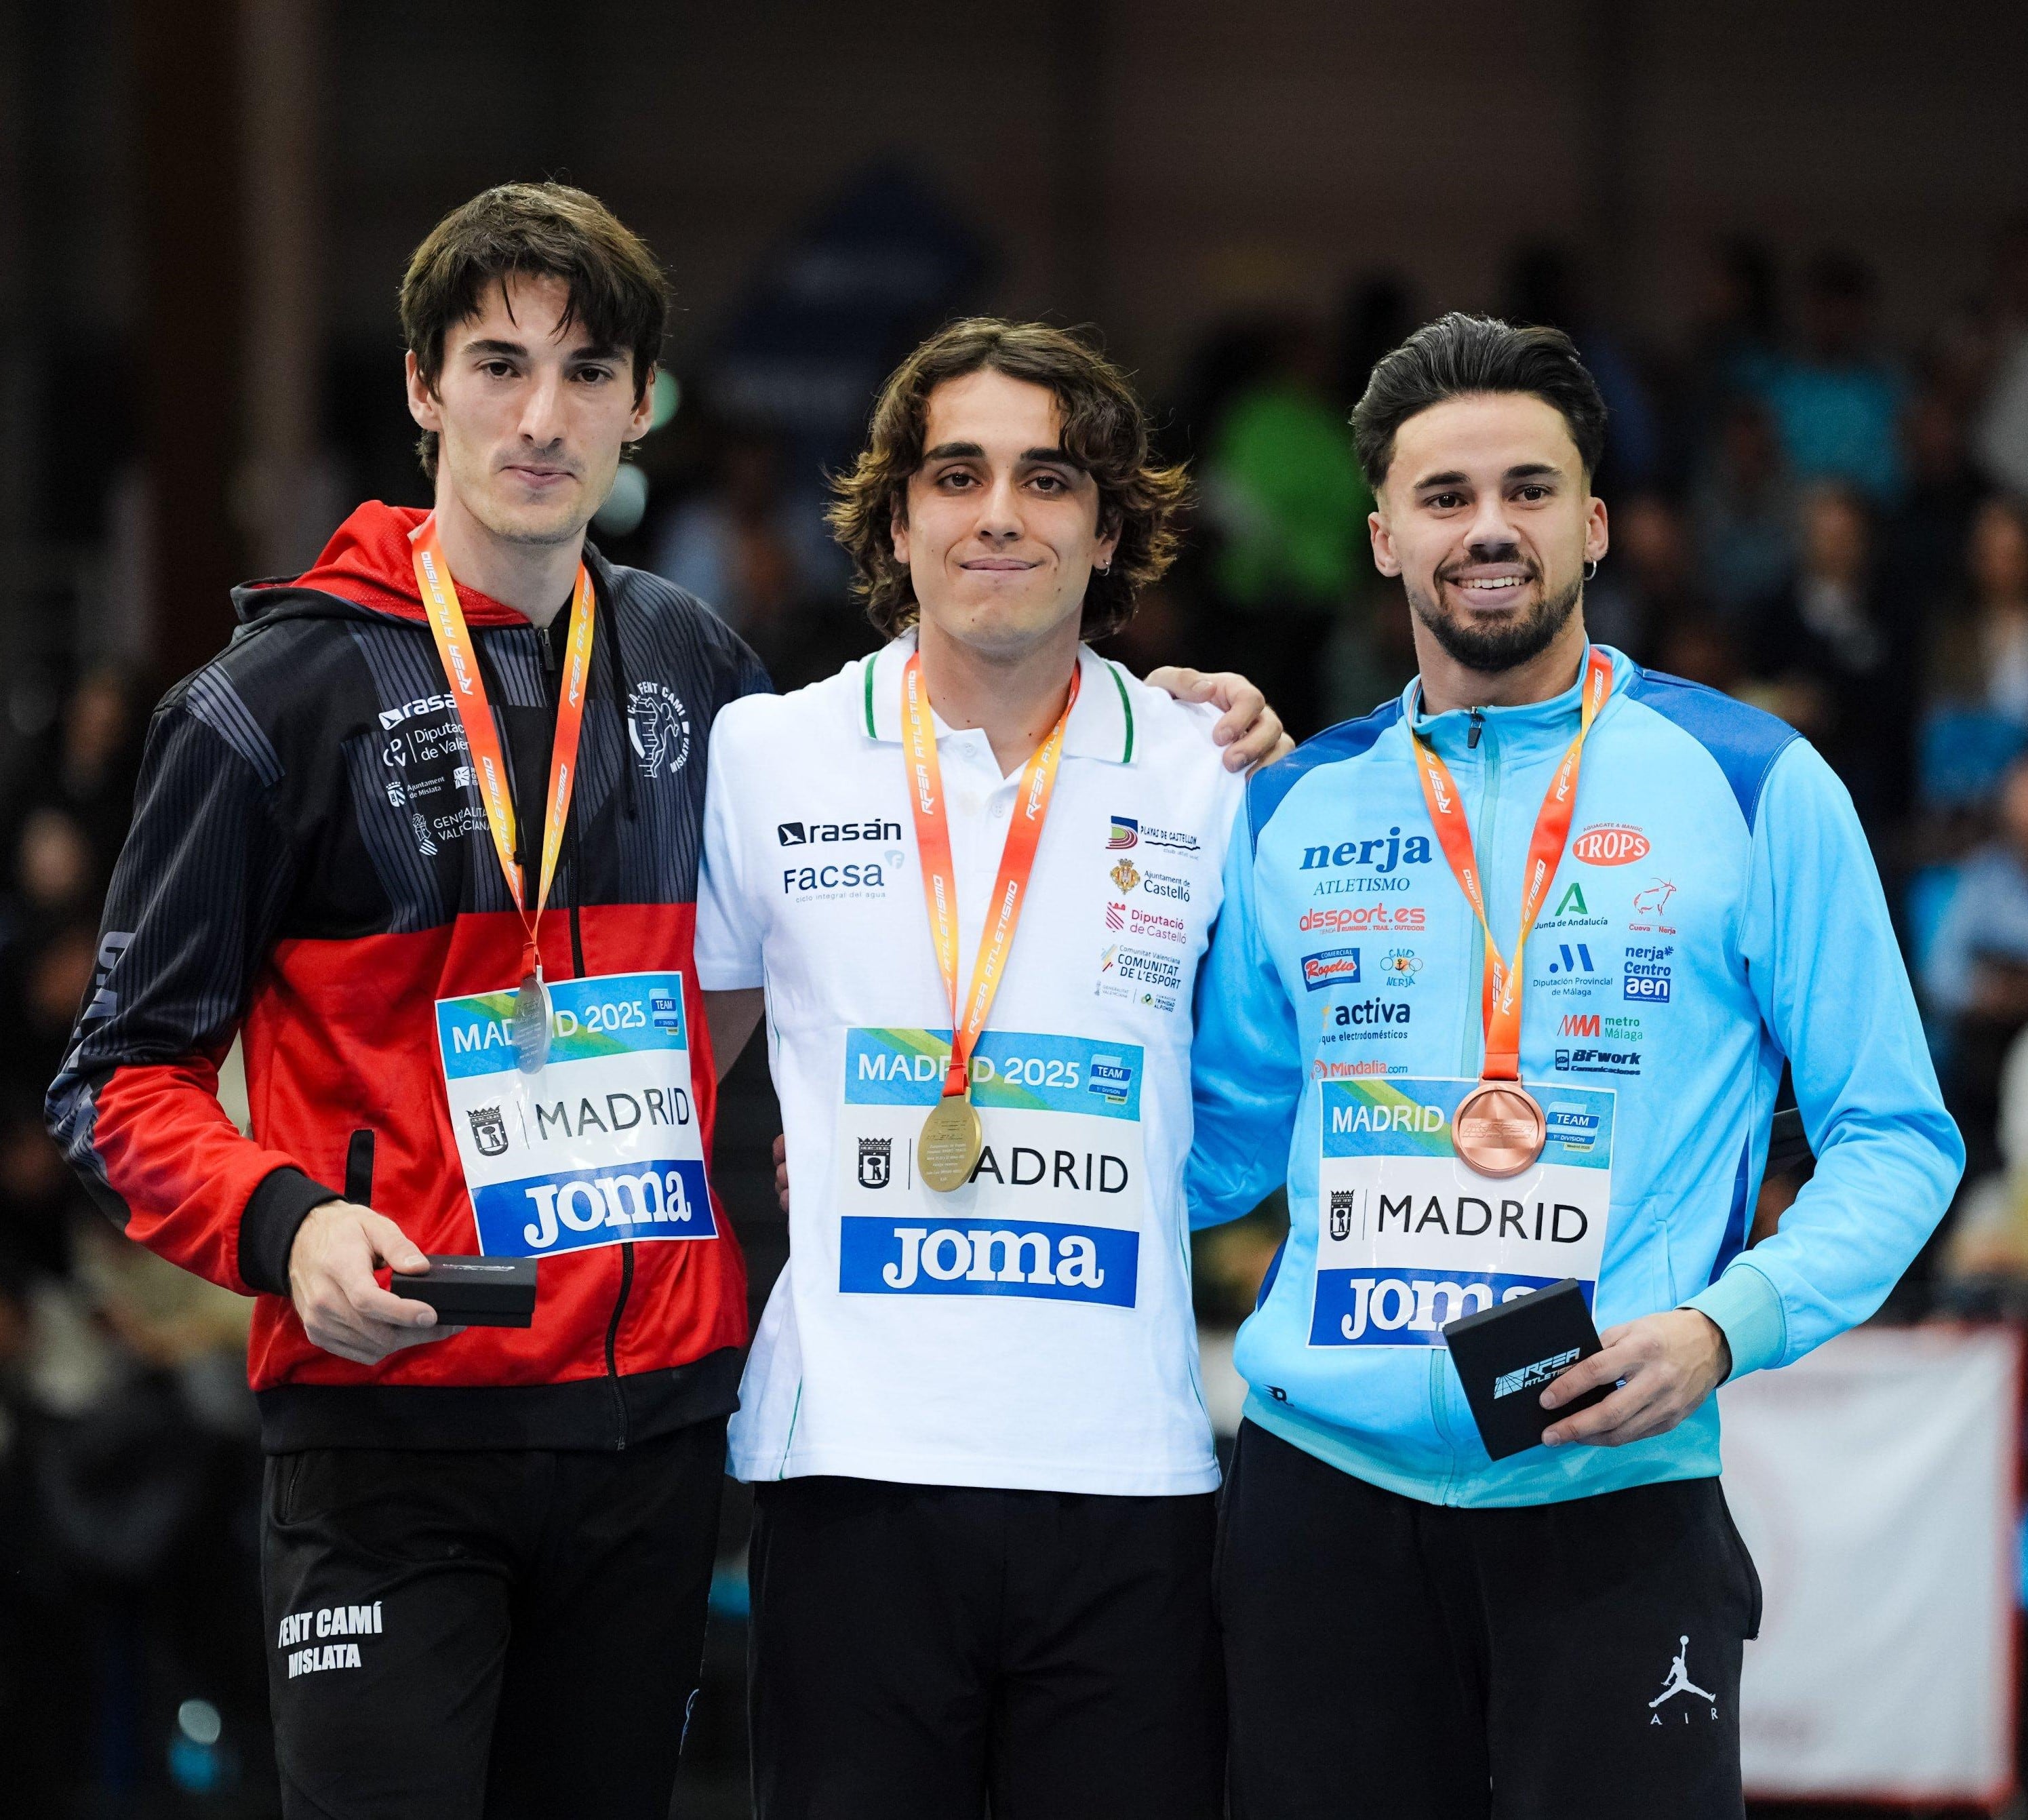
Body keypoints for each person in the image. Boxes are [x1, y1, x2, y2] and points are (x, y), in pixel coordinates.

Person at [45, 182, 770, 1820]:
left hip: (646, 1429)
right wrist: (291, 1224)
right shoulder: (267, 703)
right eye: (497, 363)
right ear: (421, 386)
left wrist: (1173, 710)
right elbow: (114, 1082)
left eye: (589, 371)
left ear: (639, 403)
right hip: (389, 1430)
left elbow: (866, 854)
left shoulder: (703, 671)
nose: (541, 415)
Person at [1190, 313, 1962, 1818]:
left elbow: (1895, 1136)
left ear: (1594, 524)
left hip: (1613, 1491)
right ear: (1379, 538)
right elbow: (1213, 1143)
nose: (1488, 529)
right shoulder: (1285, 807)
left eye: (1529, 490)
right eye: (1445, 496)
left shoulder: (1754, 783)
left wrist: (1723, 1327)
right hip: (1320, 1501)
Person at [694, 317, 1287, 1820]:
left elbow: (1266, 1097)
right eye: (956, 475)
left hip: (1130, 1480)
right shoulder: (768, 755)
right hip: (848, 1475)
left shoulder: (1213, 773)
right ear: (898, 518)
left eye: (1047, 478)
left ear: (1108, 527)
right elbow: (683, 1069)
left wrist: (1154, 1178)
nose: (1000, 514)